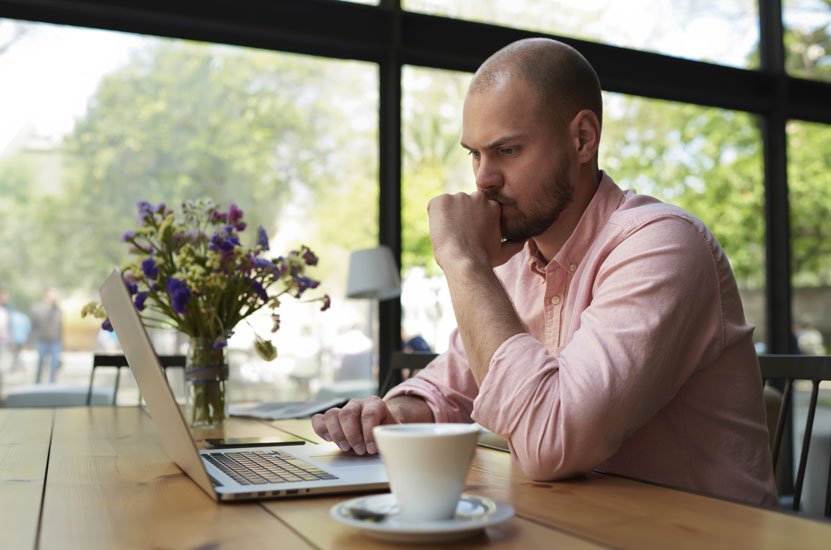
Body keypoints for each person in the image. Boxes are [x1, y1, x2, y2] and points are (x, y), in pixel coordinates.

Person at [312, 38, 777, 506]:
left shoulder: (662, 245)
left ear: (582, 139)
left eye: (507, 151)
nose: (482, 179)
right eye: (475, 154)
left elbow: (551, 444)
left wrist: (462, 260)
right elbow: (447, 389)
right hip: (580, 523)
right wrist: (387, 415)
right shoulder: (517, 261)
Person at [30, 288, 63, 384]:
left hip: (55, 341)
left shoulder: (58, 310)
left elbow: (60, 327)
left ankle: (52, 384)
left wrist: (62, 343)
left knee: (54, 365)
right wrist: (30, 341)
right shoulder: (37, 309)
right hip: (42, 340)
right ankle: (37, 384)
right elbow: (34, 325)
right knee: (40, 364)